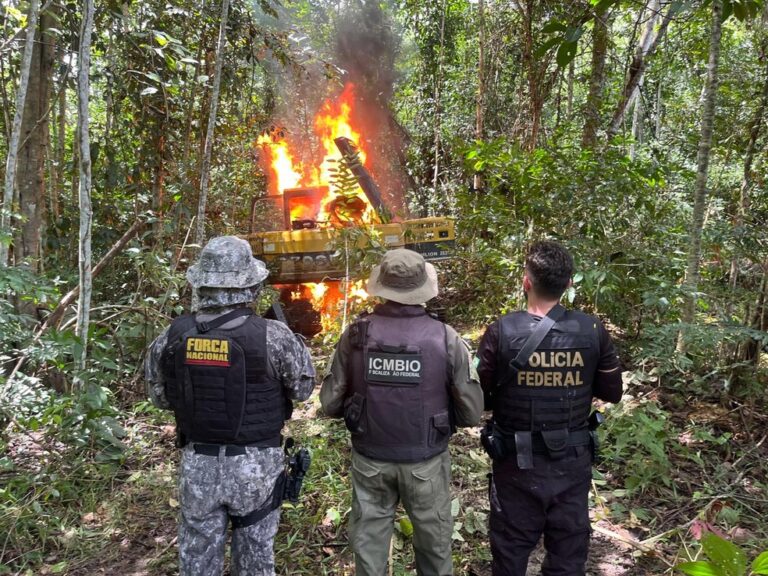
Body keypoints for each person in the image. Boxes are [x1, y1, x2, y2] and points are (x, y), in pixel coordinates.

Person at [144, 235, 315, 576]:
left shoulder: (173, 336)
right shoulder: (274, 335)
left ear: (201, 284)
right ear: (251, 285)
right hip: (257, 468)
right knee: (254, 560)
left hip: (199, 466)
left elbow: (160, 397)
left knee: (196, 562)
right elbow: (302, 390)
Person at [320, 248, 484, 576]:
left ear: (382, 286)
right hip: (426, 461)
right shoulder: (444, 338)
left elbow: (329, 402)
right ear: (422, 288)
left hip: (370, 460)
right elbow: (472, 412)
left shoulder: (355, 334)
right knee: (435, 548)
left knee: (369, 549)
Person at [476, 240, 623, 576]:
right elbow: (611, 392)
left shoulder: (501, 331)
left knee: (510, 552)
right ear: (569, 284)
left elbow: (479, 395)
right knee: (568, 554)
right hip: (569, 463)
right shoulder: (592, 330)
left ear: (526, 281)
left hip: (516, 464)